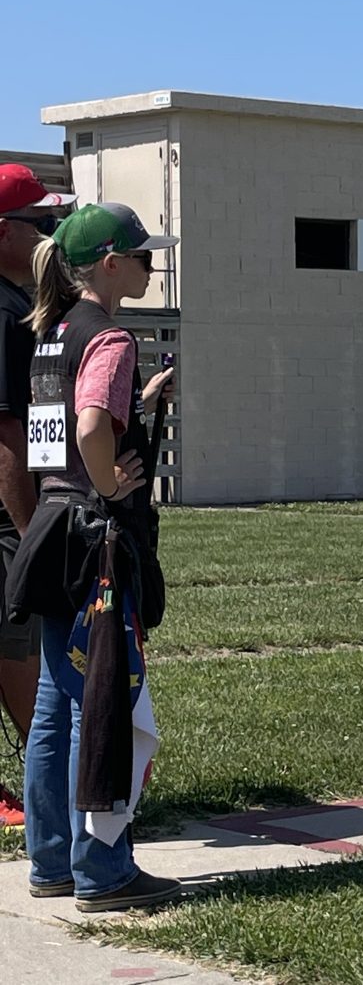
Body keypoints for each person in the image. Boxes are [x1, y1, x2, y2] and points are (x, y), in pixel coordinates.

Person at [19, 202, 179, 911]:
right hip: (96, 535)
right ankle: (103, 869)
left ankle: (51, 859)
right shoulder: (111, 337)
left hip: (52, 526)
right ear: (111, 263)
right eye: (143, 256)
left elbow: (67, 423)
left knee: (55, 704)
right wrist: (113, 481)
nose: (152, 265)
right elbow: (89, 426)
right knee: (100, 698)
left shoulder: (52, 332)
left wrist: (135, 404)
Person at [0, 164, 76, 829]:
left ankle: (45, 778)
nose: (49, 237)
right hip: (6, 511)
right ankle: (46, 778)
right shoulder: (2, 313)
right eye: (40, 224)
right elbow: (7, 437)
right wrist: (33, 537)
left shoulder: (18, 305)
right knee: (16, 645)